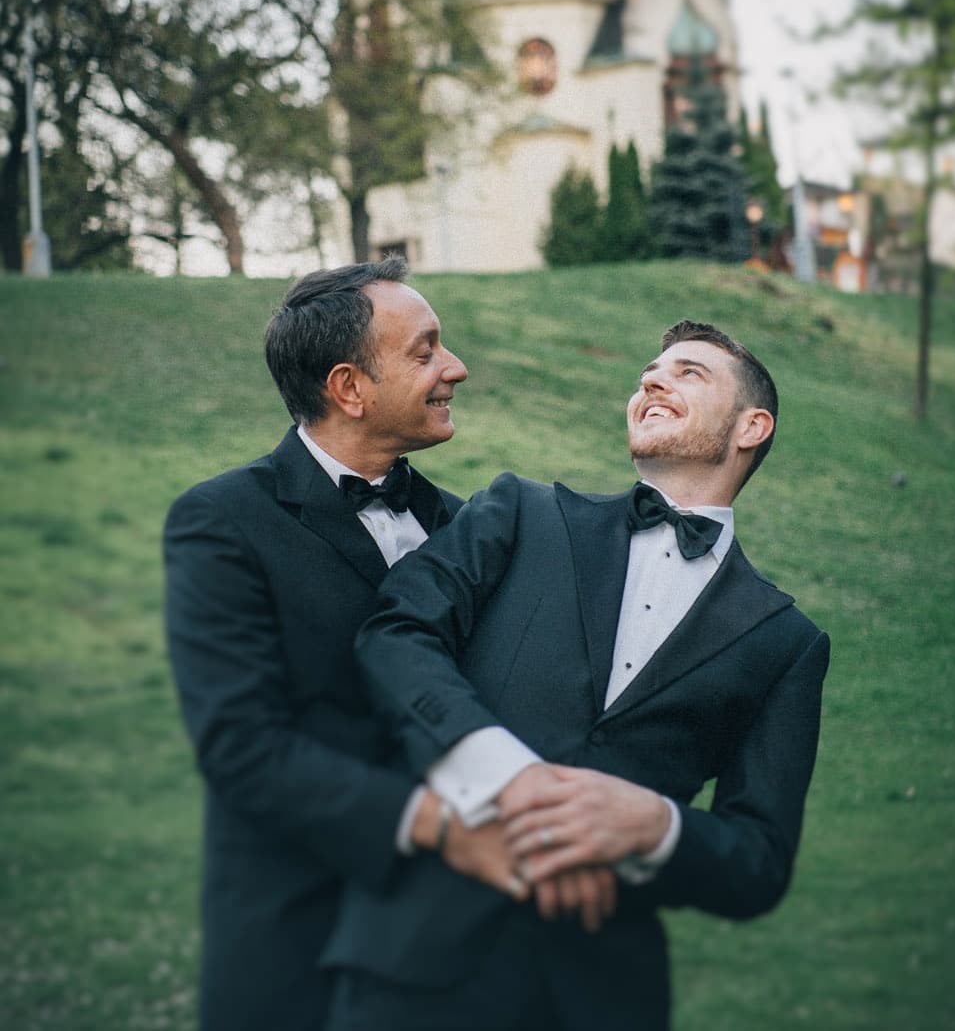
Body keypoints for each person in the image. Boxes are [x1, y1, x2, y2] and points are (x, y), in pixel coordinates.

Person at [323, 319, 831, 1031]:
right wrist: (509, 778)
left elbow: (759, 861)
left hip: (600, 993)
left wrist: (655, 827)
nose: (652, 380)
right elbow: (394, 635)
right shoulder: (520, 512)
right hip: (417, 963)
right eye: (649, 371)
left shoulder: (787, 641)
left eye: (689, 373)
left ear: (752, 426)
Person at [164, 259, 510, 1031]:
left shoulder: (466, 526)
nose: (456, 368)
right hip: (300, 946)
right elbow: (241, 747)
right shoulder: (222, 522)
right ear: (349, 388)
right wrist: (442, 827)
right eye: (425, 351)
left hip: (459, 955)